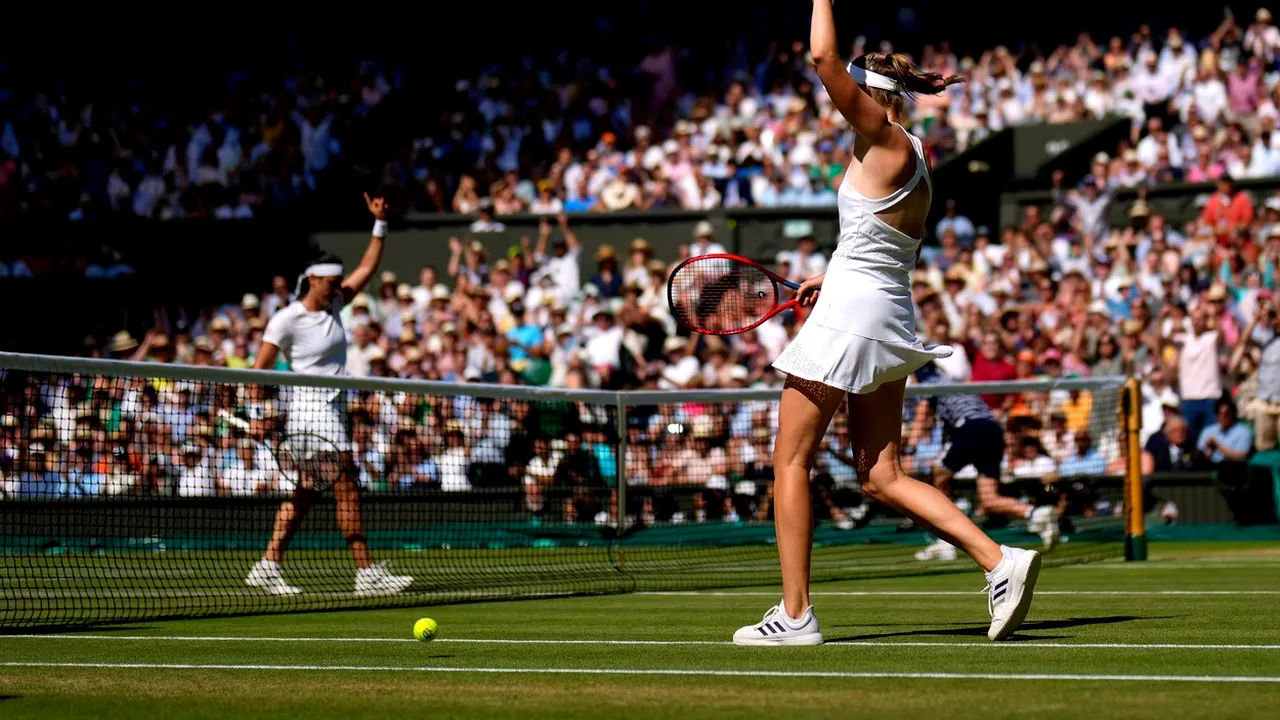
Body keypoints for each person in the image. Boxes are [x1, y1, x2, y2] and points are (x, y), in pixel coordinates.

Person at [734, 1, 1040, 647]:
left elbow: (821, 57)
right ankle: (999, 560)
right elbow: (875, 241)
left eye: (853, 95)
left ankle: (794, 617)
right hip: (881, 308)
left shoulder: (886, 139)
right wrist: (829, 276)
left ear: (873, 98)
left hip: (857, 313)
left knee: (788, 461)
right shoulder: (912, 154)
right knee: (881, 473)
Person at [245, 193, 413, 597]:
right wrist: (256, 412)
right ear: (313, 279)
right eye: (332, 280)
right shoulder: (286, 319)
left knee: (303, 494)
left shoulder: (336, 303)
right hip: (309, 418)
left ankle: (267, 565)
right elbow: (258, 371)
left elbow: (367, 268)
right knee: (347, 485)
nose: (340, 285)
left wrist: (380, 224)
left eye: (340, 281)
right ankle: (366, 573)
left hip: (331, 415)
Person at [910, 363, 1059, 563]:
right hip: (993, 431)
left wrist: (910, 448)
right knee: (989, 499)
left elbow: (921, 416)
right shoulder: (954, 383)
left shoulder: (927, 384)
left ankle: (945, 542)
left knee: (939, 474)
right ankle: (1036, 514)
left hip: (971, 428)